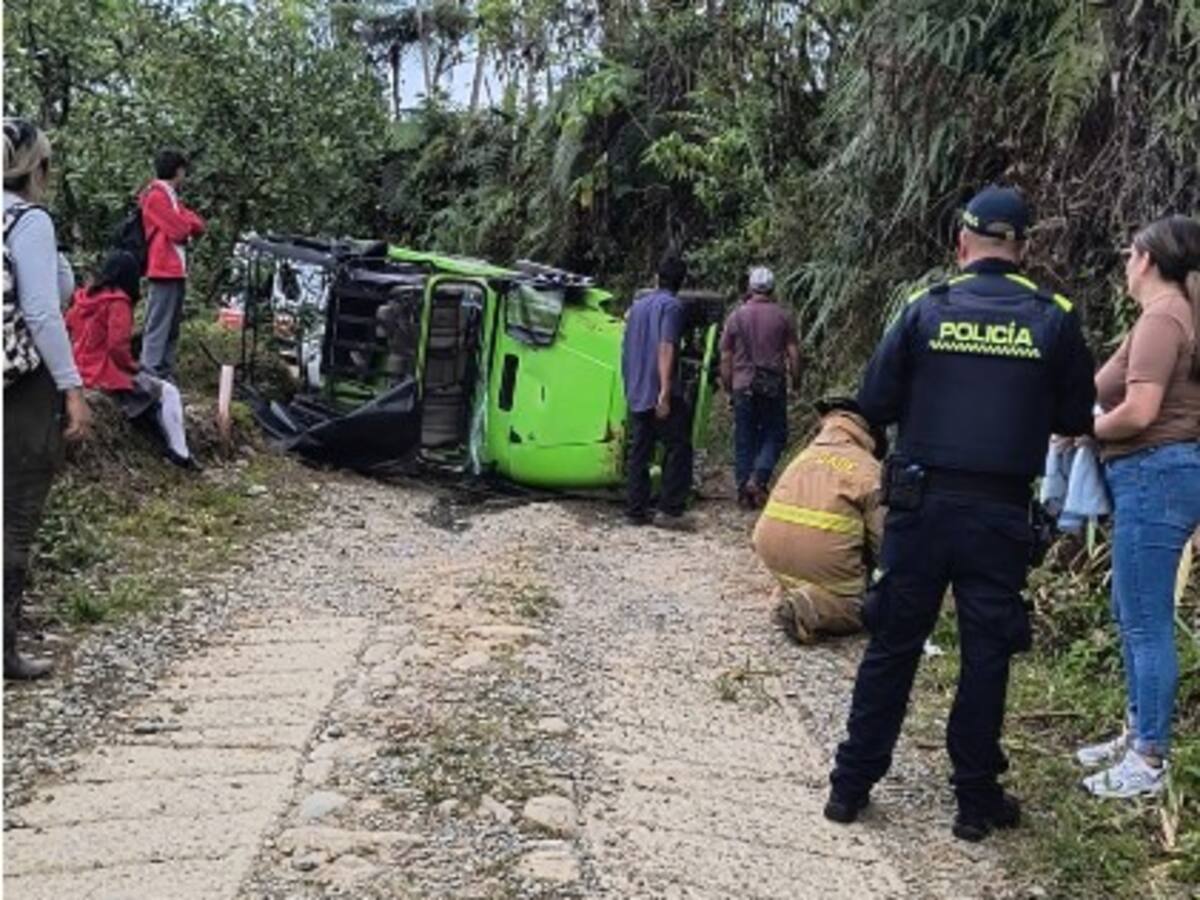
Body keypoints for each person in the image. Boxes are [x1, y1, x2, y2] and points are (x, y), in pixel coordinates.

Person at [824, 185, 1096, 841]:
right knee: (986, 656)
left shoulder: (925, 309)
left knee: (891, 645)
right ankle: (974, 805)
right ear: (1024, 248)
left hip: (919, 509)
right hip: (999, 517)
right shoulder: (1053, 317)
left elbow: (873, 400)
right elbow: (1073, 417)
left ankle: (849, 789)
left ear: (961, 243)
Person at [1077, 215, 1200, 799]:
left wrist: (1087, 428)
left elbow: (1139, 411)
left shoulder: (1163, 319)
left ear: (1147, 260)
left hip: (1155, 475)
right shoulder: (1167, 317)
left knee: (1147, 623)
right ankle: (1136, 731)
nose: (1125, 263)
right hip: (1154, 475)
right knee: (1131, 612)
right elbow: (1105, 384)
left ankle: (1149, 759)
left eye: (1130, 253)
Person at [3, 117, 93, 680]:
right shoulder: (28, 220)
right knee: (12, 517)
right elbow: (45, 308)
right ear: (37, 166)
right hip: (18, 384)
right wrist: (72, 388)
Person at [753, 396, 885, 643]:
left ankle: (791, 590)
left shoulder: (805, 456)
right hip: (822, 561)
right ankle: (808, 608)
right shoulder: (869, 470)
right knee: (868, 609)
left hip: (771, 554)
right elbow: (884, 543)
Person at [66, 250, 195, 468]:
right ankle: (181, 454)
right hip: (103, 372)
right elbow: (117, 348)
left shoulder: (82, 298)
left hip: (79, 369)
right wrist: (134, 367)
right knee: (168, 391)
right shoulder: (118, 302)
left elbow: (66, 328)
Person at [720, 266, 802, 508]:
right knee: (775, 434)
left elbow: (726, 356)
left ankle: (744, 490)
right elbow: (794, 354)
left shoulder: (735, 316)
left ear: (750, 287)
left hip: (743, 385)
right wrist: (796, 383)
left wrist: (728, 387)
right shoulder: (783, 316)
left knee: (744, 437)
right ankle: (759, 477)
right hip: (772, 385)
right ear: (772, 288)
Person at [622, 254, 693, 528]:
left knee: (640, 450)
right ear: (681, 282)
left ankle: (635, 510)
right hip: (659, 389)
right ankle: (670, 509)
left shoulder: (637, 307)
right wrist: (664, 391)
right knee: (679, 446)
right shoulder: (672, 307)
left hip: (637, 388)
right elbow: (666, 346)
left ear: (656, 278)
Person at [139, 148, 206, 381]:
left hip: (176, 268)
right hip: (163, 267)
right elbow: (180, 230)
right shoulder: (156, 195)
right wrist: (184, 226)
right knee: (158, 323)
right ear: (178, 171)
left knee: (172, 325)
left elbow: (197, 224)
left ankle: (164, 371)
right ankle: (149, 373)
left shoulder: (171, 197)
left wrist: (184, 224)